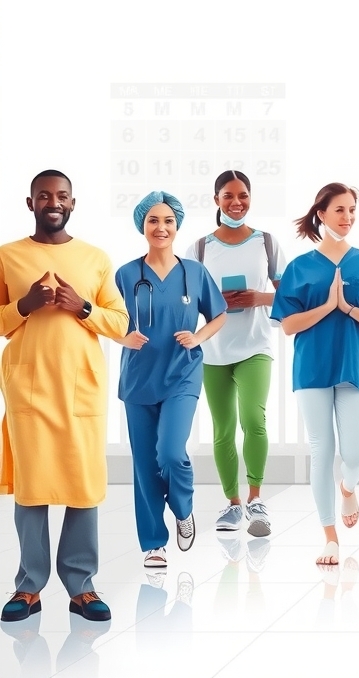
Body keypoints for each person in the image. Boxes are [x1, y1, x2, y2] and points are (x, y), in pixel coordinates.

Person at [0, 170, 129, 624]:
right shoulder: (8, 256)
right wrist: (24, 306)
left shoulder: (94, 258)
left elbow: (119, 322)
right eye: (43, 196)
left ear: (72, 203)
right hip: (29, 387)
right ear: (29, 203)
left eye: (61, 196)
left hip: (81, 387)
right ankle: (29, 586)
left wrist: (83, 308)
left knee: (82, 484)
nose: (52, 202)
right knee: (33, 488)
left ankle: (82, 586)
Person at [271, 183, 359, 566]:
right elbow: (288, 325)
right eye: (340, 210)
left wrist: (349, 308)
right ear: (321, 214)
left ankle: (348, 486)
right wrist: (327, 306)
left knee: (356, 454)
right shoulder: (300, 267)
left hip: (354, 368)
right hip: (312, 369)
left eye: (353, 210)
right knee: (321, 450)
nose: (348, 217)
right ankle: (330, 536)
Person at [115, 191, 227, 570]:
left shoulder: (194, 272)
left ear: (177, 226)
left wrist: (198, 337)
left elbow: (219, 315)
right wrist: (121, 337)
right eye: (152, 221)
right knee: (145, 463)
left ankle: (183, 508)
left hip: (181, 374)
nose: (160, 227)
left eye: (167, 221)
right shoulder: (127, 274)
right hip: (138, 378)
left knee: (171, 453)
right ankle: (153, 543)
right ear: (142, 226)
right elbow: (111, 320)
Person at [186, 170, 286, 538]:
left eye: (243, 195)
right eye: (228, 196)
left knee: (253, 420)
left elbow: (290, 295)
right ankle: (232, 503)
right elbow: (184, 300)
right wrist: (214, 304)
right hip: (213, 350)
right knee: (223, 429)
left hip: (255, 346)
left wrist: (259, 298)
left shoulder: (267, 243)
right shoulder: (199, 248)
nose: (236, 202)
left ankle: (256, 498)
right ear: (216, 200)